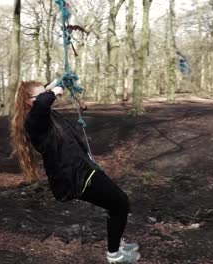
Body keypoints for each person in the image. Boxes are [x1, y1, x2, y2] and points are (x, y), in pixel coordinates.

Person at [10, 80, 140, 263]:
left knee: (117, 203)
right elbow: (42, 102)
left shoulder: (44, 115)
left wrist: (58, 82)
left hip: (83, 168)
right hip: (73, 176)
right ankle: (115, 255)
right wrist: (54, 91)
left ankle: (117, 244)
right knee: (120, 203)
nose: (46, 96)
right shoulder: (34, 121)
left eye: (44, 92)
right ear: (28, 102)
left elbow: (43, 97)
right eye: (39, 95)